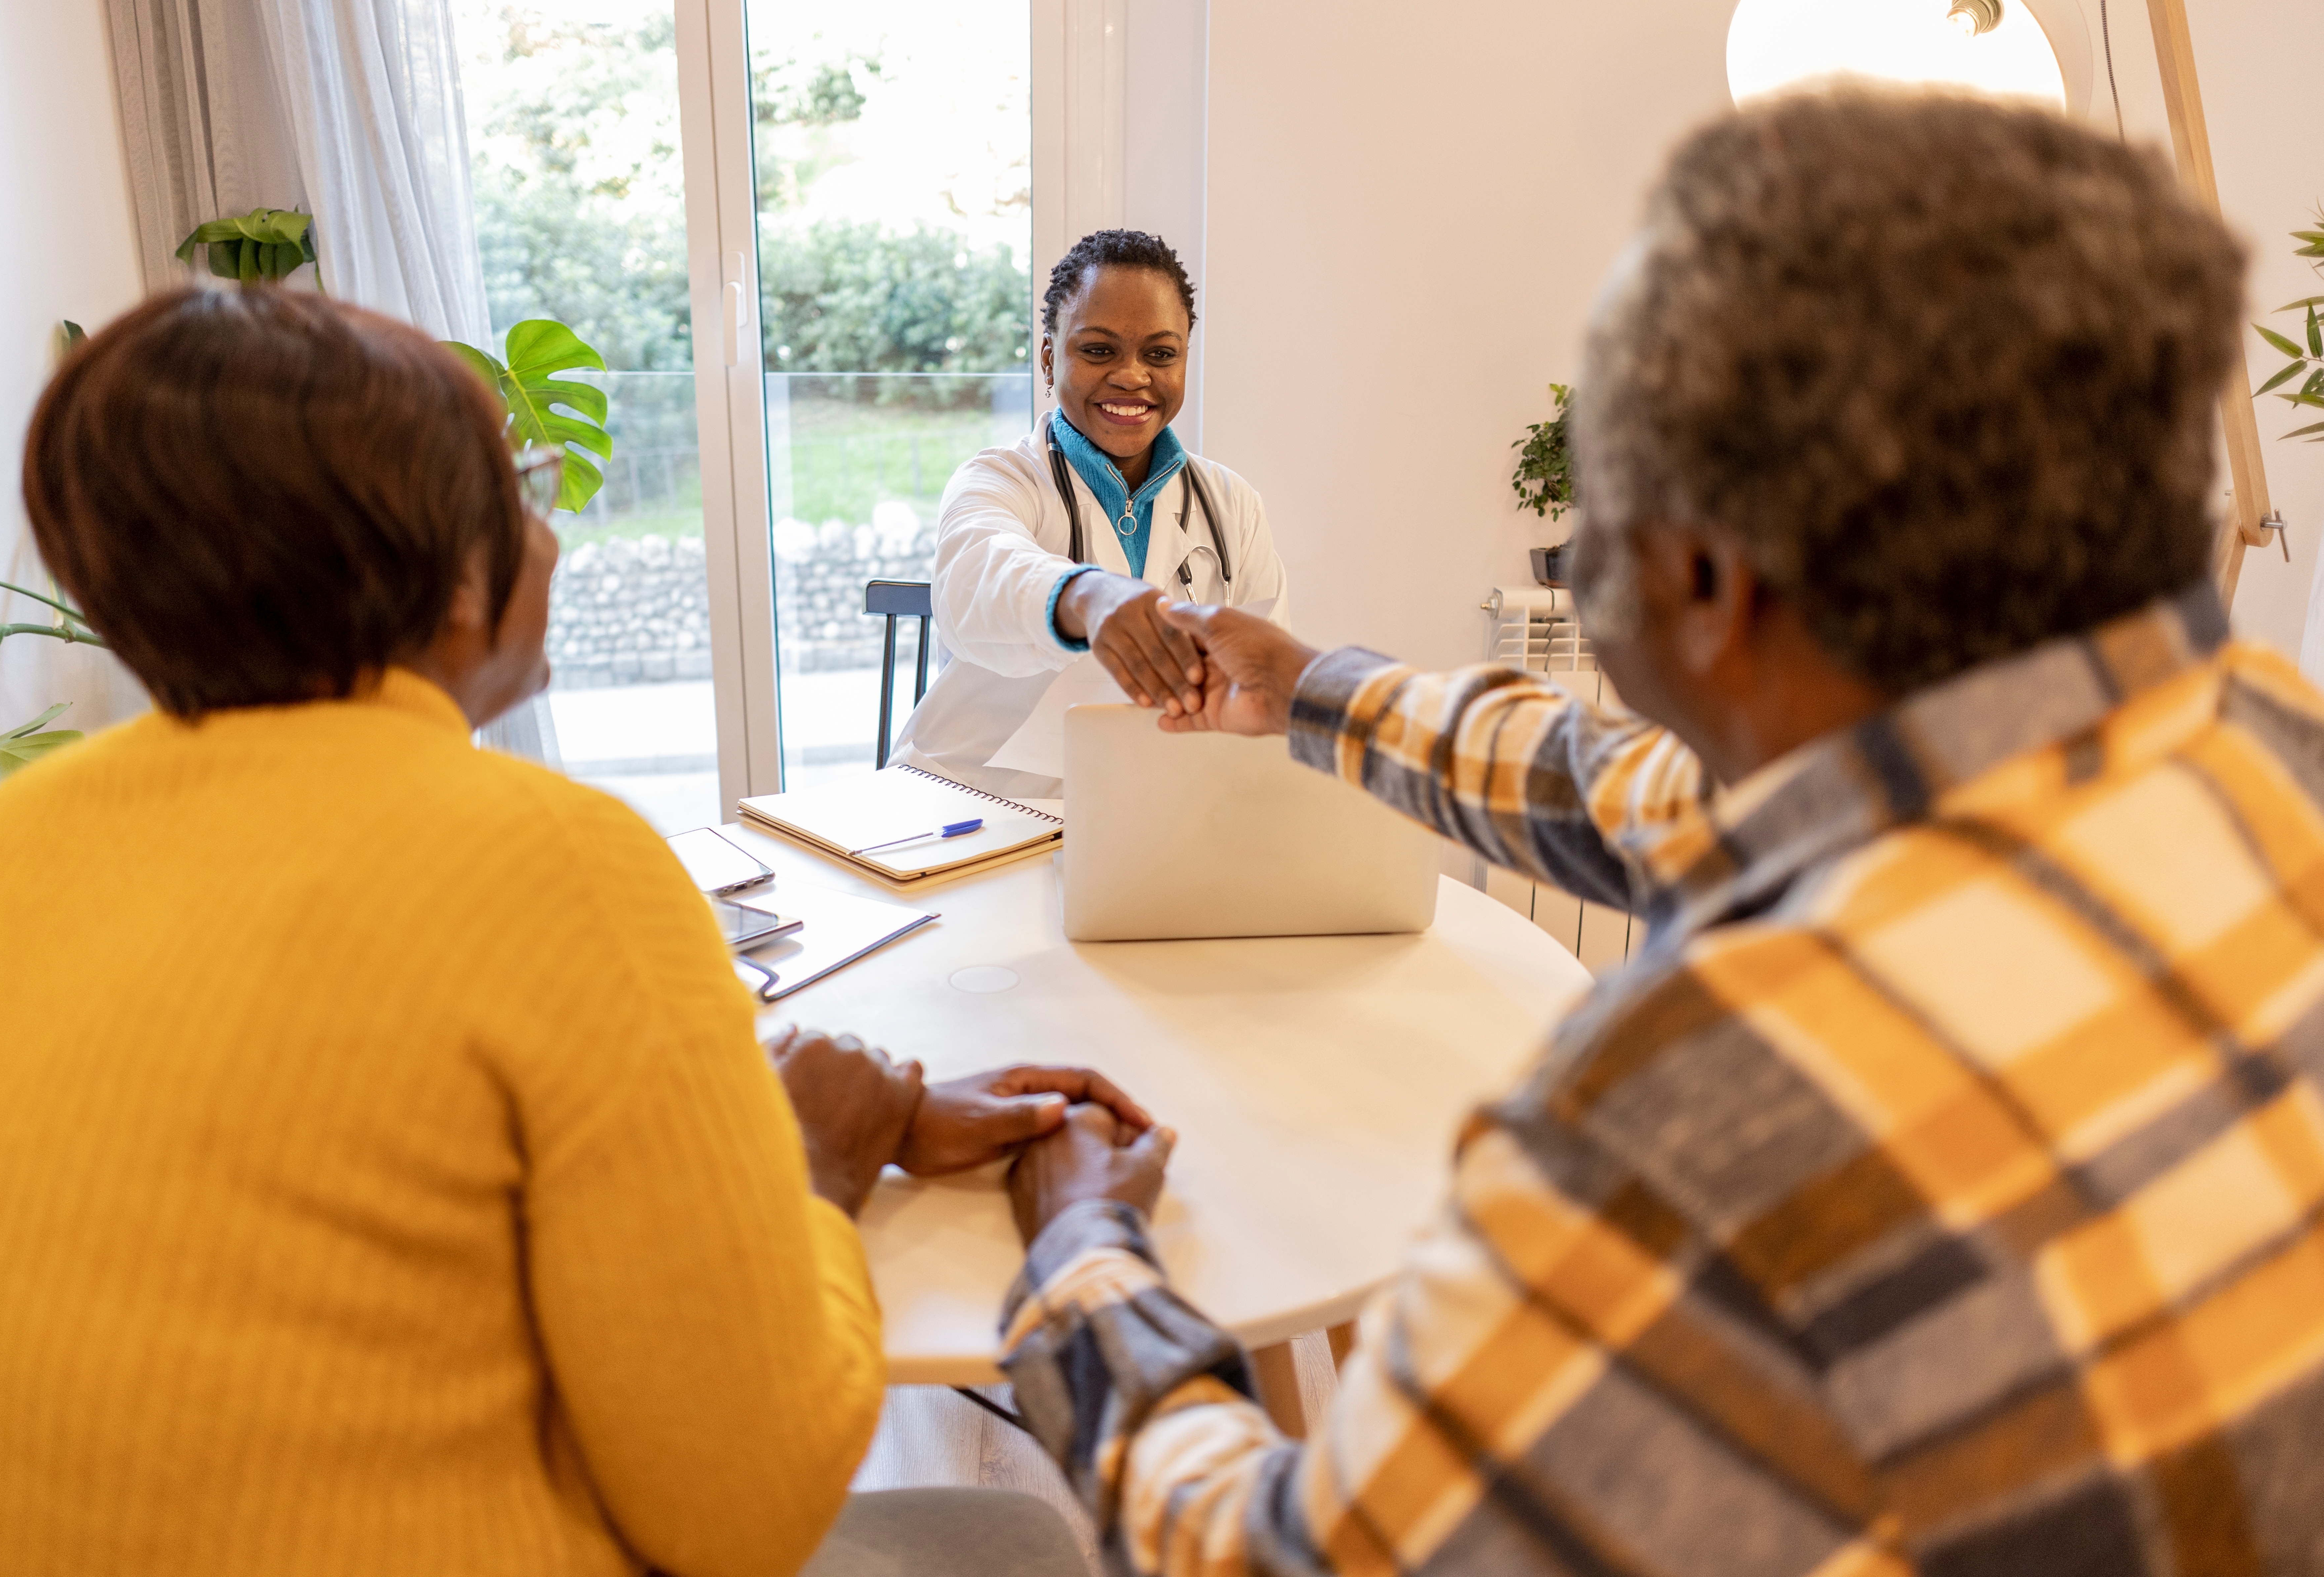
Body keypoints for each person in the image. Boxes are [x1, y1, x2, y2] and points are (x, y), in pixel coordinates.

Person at [996, 89, 2324, 1575]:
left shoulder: (1690, 1118)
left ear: (1701, 578)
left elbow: (1293, 1558)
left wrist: (1081, 1261)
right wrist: (1307, 686)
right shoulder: (2264, 738)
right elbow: (1654, 794)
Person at [0, 286, 1124, 1577]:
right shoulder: (555, 856)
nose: (552, 539)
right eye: (522, 492)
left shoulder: (3, 847)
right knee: (1018, 1540)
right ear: (457, 582)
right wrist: (809, 1170)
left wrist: (764, 1116)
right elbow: (746, 1507)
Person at [897, 228, 1290, 797]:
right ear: (1050, 358)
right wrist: (1088, 596)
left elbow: (1264, 682)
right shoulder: (999, 479)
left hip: (1155, 808)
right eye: (1099, 350)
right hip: (978, 801)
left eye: (1160, 354)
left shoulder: (1231, 504)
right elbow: (973, 581)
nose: (1133, 376)